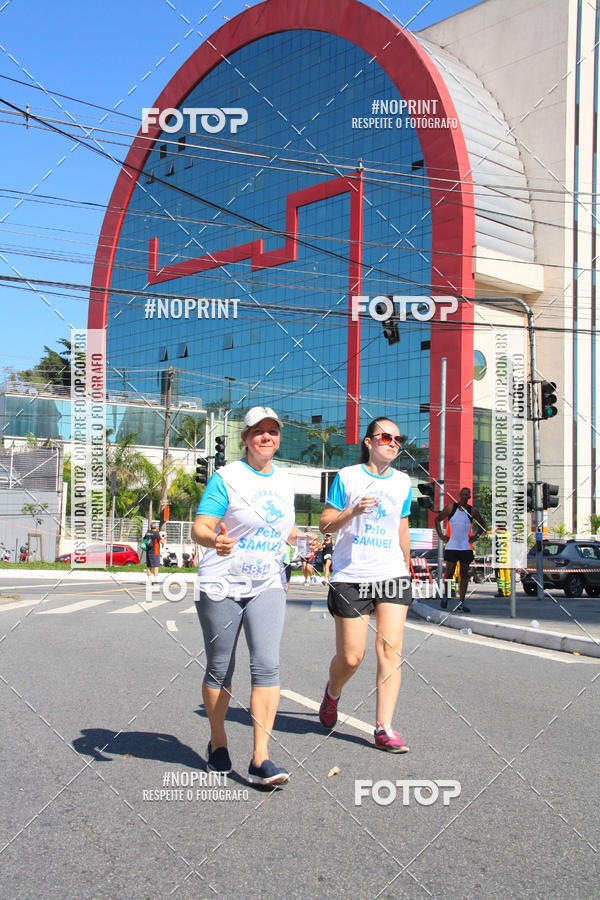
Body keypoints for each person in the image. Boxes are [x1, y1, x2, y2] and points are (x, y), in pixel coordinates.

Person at [192, 406, 311, 787]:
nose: (266, 437)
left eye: (273, 431)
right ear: (244, 438)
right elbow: (201, 527)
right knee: (220, 669)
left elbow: (285, 530)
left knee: (266, 666)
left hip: (268, 583)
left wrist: (304, 543)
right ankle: (218, 740)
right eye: (258, 431)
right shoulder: (226, 477)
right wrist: (216, 540)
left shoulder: (285, 481)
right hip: (222, 584)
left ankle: (261, 758)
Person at [318, 416, 412, 753]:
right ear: (368, 442)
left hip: (392, 575)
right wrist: (353, 511)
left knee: (390, 650)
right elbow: (326, 524)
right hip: (351, 577)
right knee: (352, 657)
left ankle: (384, 727)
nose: (392, 443)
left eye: (398, 439)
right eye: (385, 437)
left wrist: (408, 566)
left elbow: (402, 528)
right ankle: (333, 693)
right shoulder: (348, 477)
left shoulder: (403, 482)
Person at [434, 487, 486, 613]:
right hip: (452, 546)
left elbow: (482, 524)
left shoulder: (472, 511)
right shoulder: (451, 508)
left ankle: (462, 601)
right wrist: (441, 536)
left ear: (469, 497)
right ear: (459, 495)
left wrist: (476, 536)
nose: (464, 497)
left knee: (464, 574)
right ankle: (446, 596)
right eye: (462, 494)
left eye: (466, 495)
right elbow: (437, 519)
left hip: (465, 547)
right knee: (450, 572)